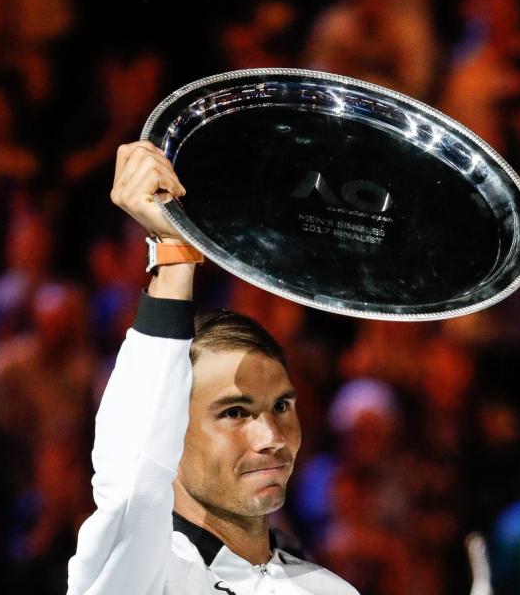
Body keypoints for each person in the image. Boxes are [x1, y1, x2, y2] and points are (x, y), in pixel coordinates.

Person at [66, 140, 358, 594]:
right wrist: (175, 254)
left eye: (281, 406)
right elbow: (134, 483)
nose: (272, 438)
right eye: (234, 412)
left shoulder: (330, 591)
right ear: (169, 430)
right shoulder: (136, 572)